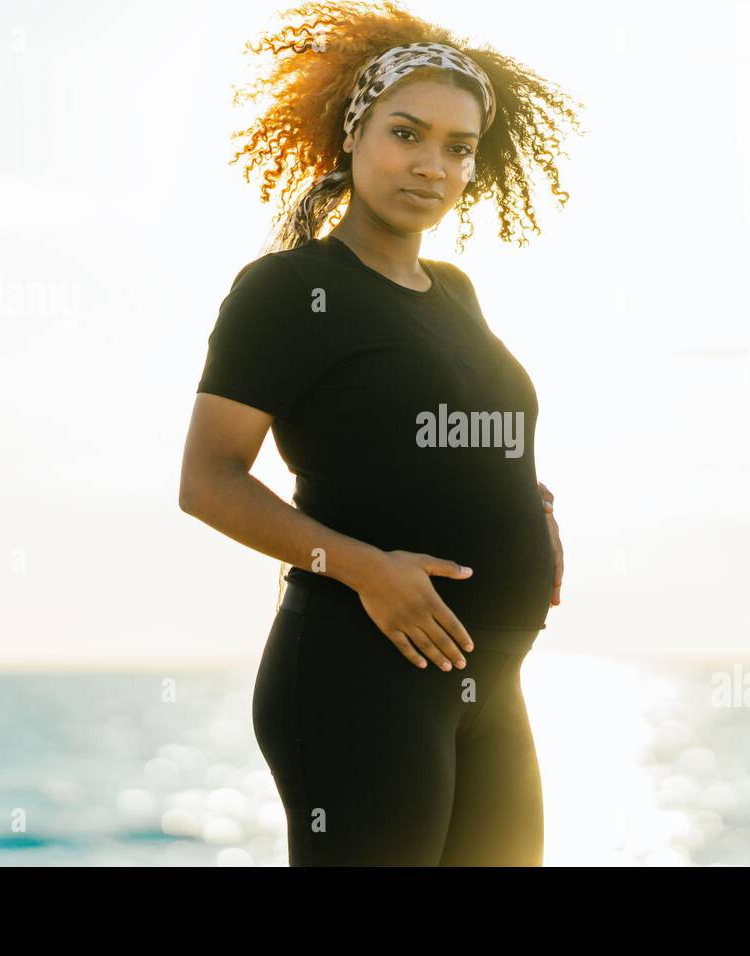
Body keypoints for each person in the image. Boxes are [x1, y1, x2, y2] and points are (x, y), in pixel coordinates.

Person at [178, 0, 582, 866]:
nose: (432, 165)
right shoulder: (289, 291)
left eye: (459, 146)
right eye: (407, 133)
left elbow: (445, 438)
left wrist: (530, 504)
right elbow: (208, 479)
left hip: (492, 681)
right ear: (353, 135)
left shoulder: (458, 294)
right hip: (357, 676)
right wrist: (365, 567)